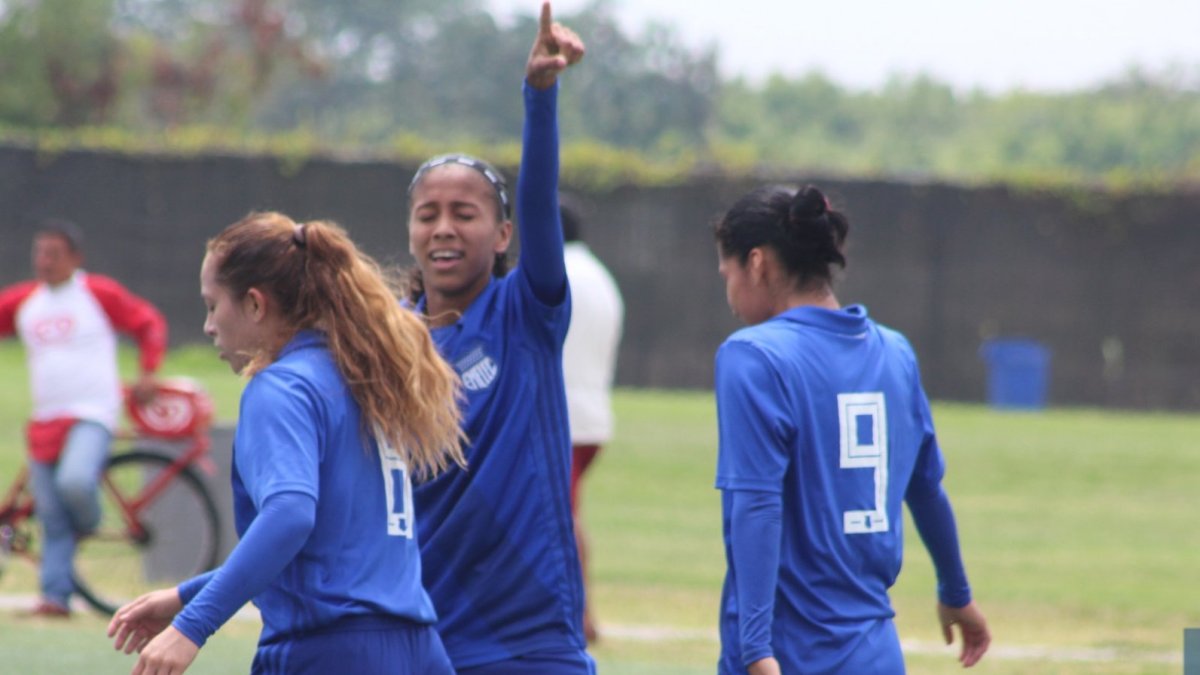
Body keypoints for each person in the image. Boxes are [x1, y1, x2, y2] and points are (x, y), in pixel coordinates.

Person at [106, 212, 466, 674]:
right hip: (418, 650)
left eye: (213, 305)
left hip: (331, 654)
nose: (209, 325)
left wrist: (193, 625)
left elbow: (290, 517)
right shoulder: (362, 380)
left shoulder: (282, 388)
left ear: (255, 305)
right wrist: (184, 596)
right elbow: (328, 556)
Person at [711, 184, 991, 674]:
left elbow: (755, 504)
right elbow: (926, 488)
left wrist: (755, 651)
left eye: (726, 271)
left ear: (757, 263)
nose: (728, 290)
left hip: (791, 652)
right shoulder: (895, 352)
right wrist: (956, 591)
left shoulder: (753, 356)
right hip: (876, 655)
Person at [403, 3, 591, 672]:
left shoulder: (525, 314)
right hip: (415, 633)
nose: (444, 228)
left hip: (528, 639)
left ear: (504, 234)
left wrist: (539, 96)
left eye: (465, 213)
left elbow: (540, 199)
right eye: (429, 215)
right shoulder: (388, 341)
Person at [0, 219, 166, 618]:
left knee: (74, 482)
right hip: (46, 419)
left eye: (54, 254)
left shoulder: (97, 293)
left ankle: (90, 521)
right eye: (39, 253)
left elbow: (148, 323)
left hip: (92, 412)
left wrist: (148, 371)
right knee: (52, 517)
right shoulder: (26, 301)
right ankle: (56, 597)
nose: (44, 261)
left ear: (76, 258)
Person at [560, 198, 624, 643]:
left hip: (564, 419)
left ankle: (581, 617)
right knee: (566, 514)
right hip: (593, 416)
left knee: (561, 517)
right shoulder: (599, 275)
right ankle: (581, 614)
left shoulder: (558, 274)